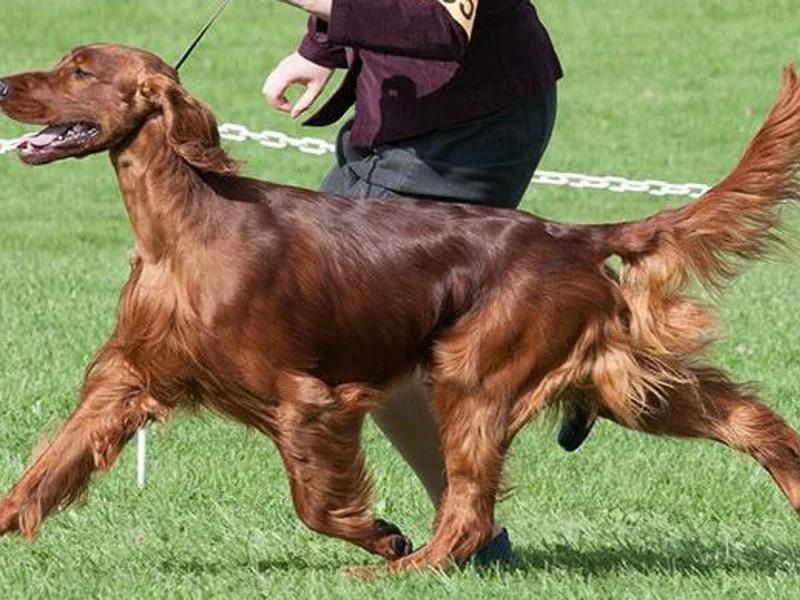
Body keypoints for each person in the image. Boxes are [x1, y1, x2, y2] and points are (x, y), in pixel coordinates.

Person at [263, 0, 589, 564]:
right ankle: (574, 341)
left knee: (360, 337)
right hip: (406, 116)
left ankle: (471, 533)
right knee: (344, 323)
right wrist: (320, 47)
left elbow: (441, 23)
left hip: (469, 124)